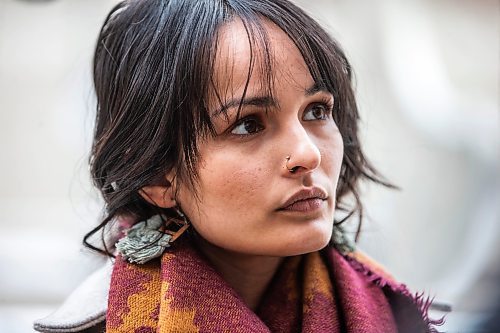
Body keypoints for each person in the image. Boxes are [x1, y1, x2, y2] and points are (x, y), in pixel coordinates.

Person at [34, 0, 446, 332]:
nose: (308, 155)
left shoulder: (394, 317)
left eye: (317, 111)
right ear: (159, 175)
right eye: (248, 124)